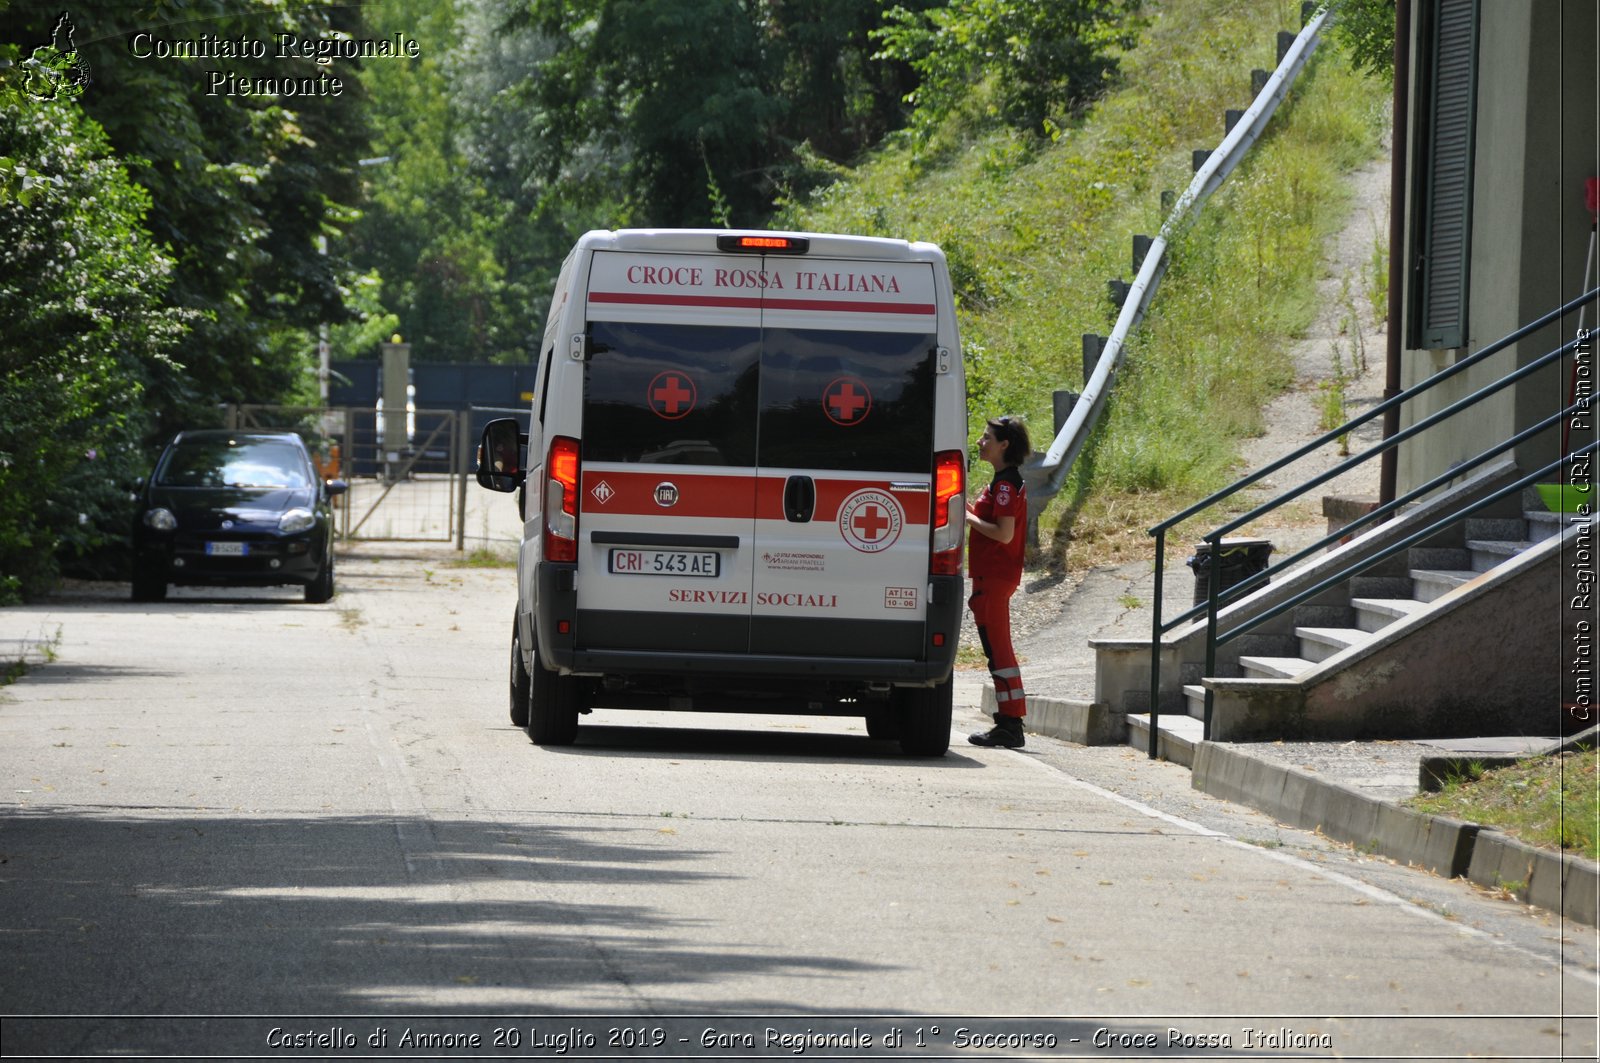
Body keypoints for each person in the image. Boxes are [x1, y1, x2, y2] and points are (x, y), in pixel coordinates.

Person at [965, 415, 1031, 748]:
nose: (980, 441)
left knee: (999, 651)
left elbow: (1003, 534)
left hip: (994, 576)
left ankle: (1010, 722)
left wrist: (967, 517)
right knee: (997, 650)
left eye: (986, 437)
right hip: (991, 577)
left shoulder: (1005, 484)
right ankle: (1009, 720)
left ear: (1004, 445)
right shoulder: (1003, 481)